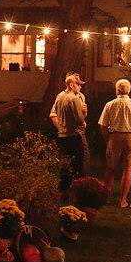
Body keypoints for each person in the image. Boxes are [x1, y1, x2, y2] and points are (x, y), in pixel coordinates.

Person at [98, 78, 131, 208]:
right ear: (129, 91)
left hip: (114, 136)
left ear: (117, 90)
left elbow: (103, 126)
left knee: (110, 169)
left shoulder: (110, 104)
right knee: (128, 170)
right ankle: (123, 200)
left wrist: (108, 139)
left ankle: (105, 198)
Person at [49, 73, 89, 201]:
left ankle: (63, 192)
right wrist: (84, 113)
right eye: (78, 85)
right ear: (71, 85)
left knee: (66, 164)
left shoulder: (63, 97)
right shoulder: (72, 98)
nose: (80, 87)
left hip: (64, 136)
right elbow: (79, 119)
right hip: (74, 134)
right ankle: (77, 192)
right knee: (78, 164)